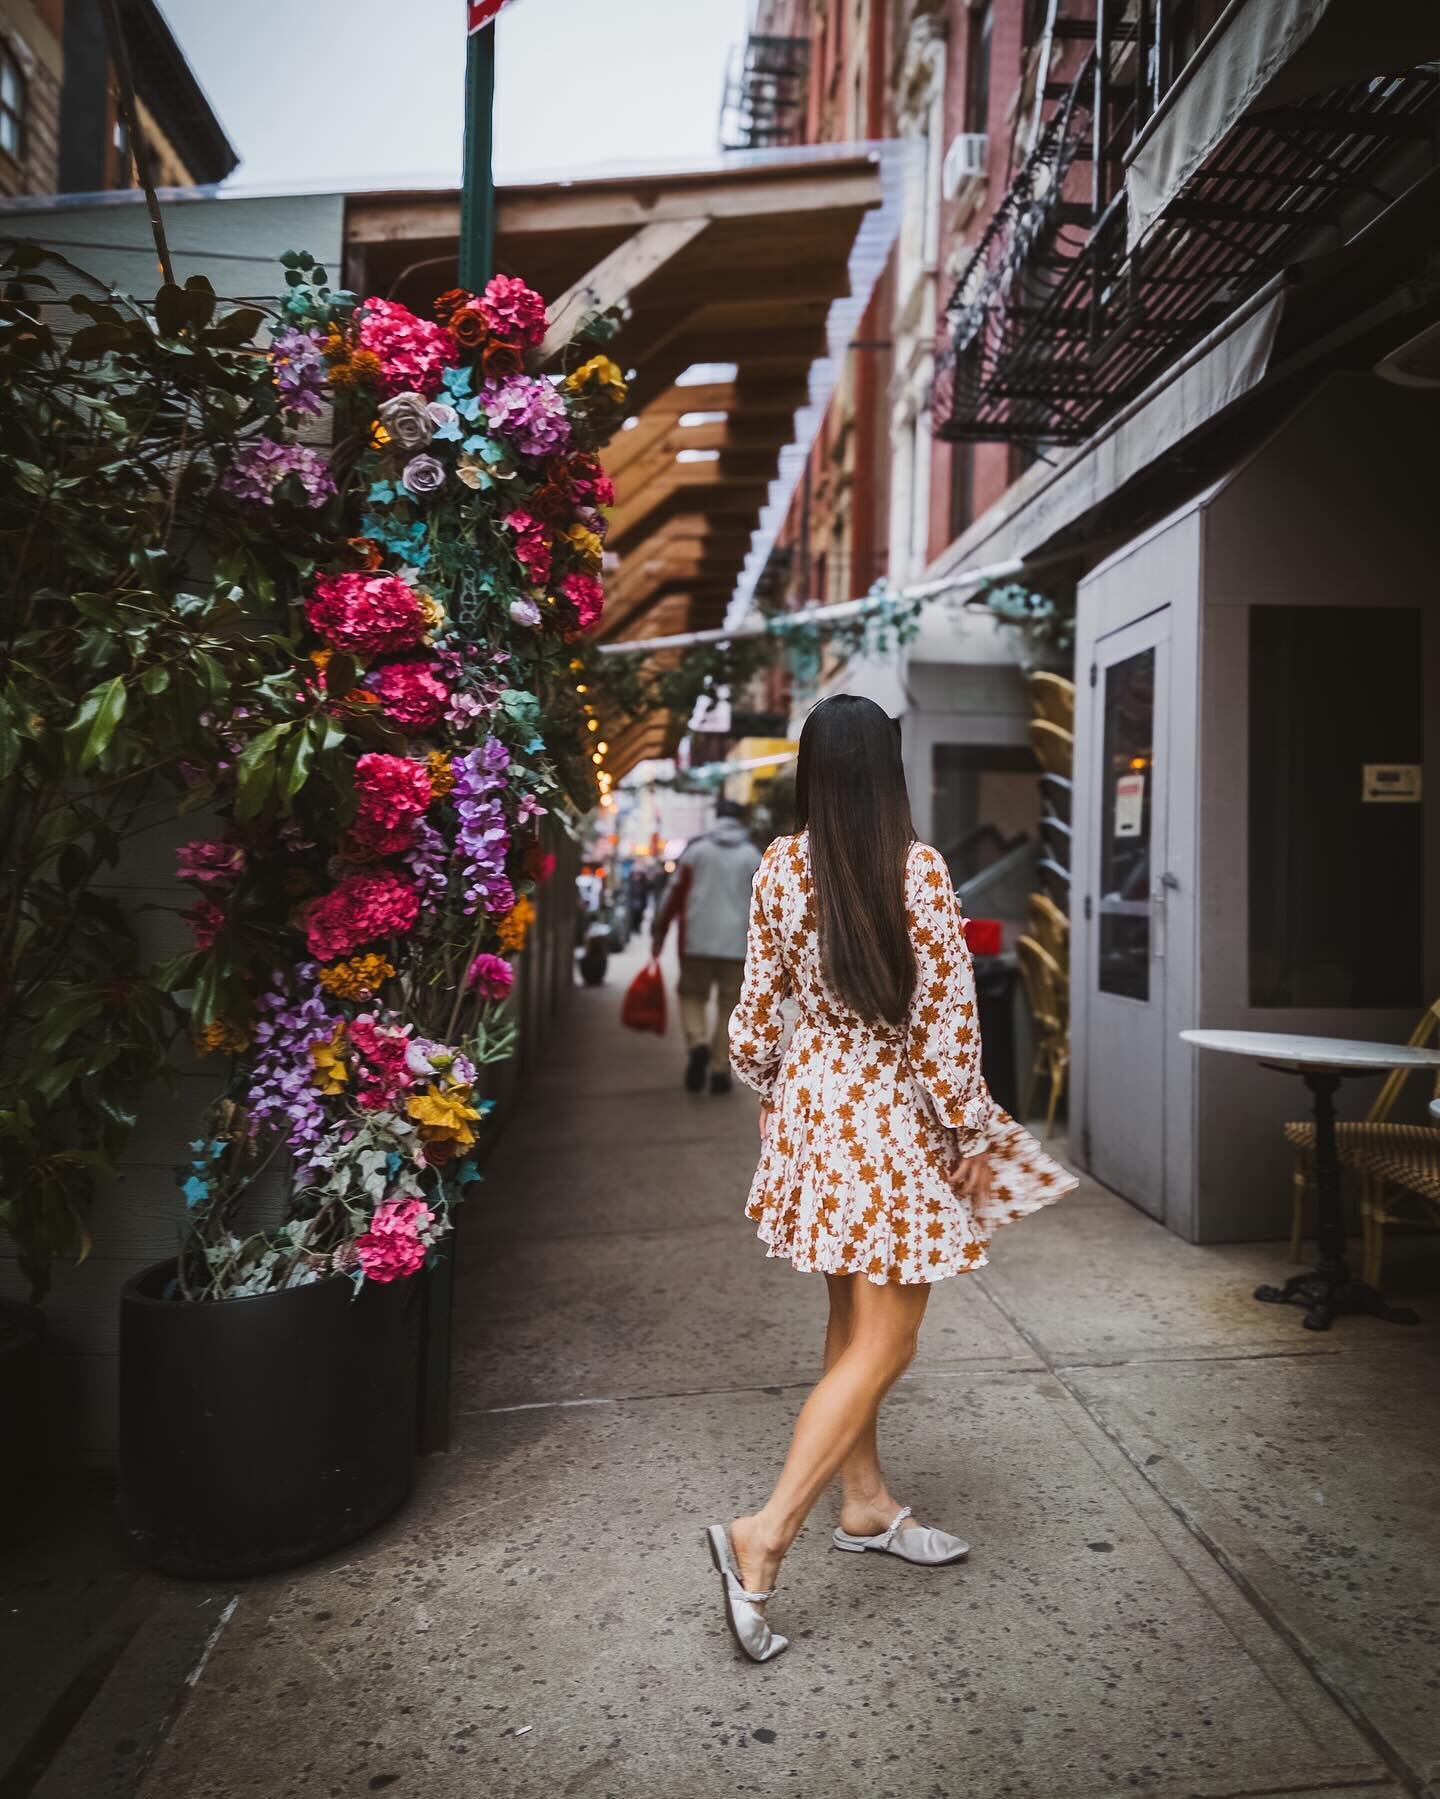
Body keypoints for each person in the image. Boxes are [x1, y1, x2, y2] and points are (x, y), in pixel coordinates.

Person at [705, 695, 1076, 1662]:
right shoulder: (915, 870)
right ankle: (769, 1528)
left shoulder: (780, 867)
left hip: (812, 1109)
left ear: (813, 772)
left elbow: (753, 1017)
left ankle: (864, 1505)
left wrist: (772, 1083)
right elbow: (946, 1024)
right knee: (892, 1338)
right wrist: (960, 1126)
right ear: (889, 771)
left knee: (848, 1322)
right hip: (888, 1112)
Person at [652, 799, 761, 1096]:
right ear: (740, 820)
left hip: (696, 941)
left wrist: (659, 930)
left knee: (692, 996)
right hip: (737, 943)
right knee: (729, 1006)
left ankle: (697, 1042)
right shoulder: (752, 856)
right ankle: (719, 1069)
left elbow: (674, 894)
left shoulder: (696, 852)